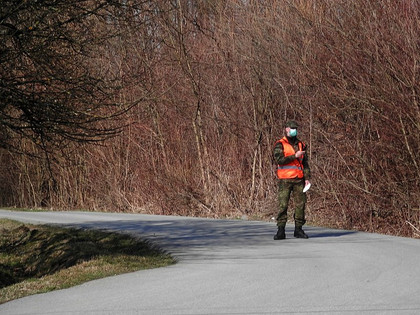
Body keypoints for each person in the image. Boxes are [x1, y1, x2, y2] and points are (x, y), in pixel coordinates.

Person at [273, 120, 311, 239]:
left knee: (301, 205)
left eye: (295, 128)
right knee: (283, 205)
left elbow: (305, 163)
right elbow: (279, 160)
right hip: (285, 180)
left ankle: (298, 229)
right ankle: (281, 230)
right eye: (292, 128)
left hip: (299, 180)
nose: (294, 130)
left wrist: (307, 178)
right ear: (286, 129)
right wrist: (294, 156)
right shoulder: (280, 144)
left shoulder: (301, 145)